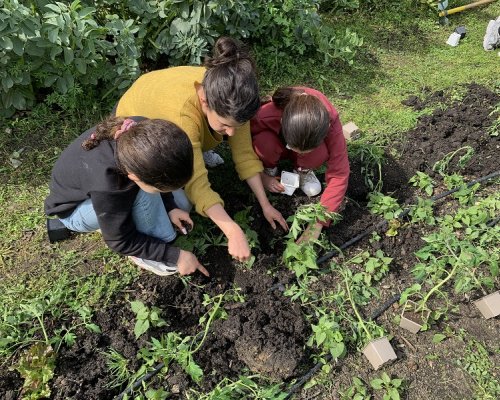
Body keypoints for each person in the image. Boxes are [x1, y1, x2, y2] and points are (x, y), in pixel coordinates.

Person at [115, 36, 288, 262]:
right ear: (204, 100)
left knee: (217, 134)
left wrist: (265, 205)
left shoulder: (233, 96)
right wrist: (232, 231)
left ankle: (200, 146)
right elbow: (197, 182)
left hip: (176, 114)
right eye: (225, 125)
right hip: (137, 127)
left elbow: (244, 154)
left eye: (236, 125)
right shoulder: (183, 115)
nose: (232, 134)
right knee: (184, 202)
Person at [45, 116, 209, 277]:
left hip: (105, 192)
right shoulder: (111, 184)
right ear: (134, 176)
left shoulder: (144, 133)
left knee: (182, 203)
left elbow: (160, 175)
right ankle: (146, 255)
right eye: (161, 189)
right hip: (74, 211)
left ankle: (123, 219)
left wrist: (171, 206)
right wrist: (176, 255)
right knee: (142, 198)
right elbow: (119, 241)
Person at [250, 87, 350, 242]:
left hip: (297, 139)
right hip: (276, 142)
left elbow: (340, 172)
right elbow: (243, 147)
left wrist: (318, 222)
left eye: (306, 151)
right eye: (296, 148)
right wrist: (261, 176)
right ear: (282, 121)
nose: (302, 152)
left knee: (320, 153)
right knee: (263, 144)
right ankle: (270, 167)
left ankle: (302, 170)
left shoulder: (330, 121)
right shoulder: (265, 115)